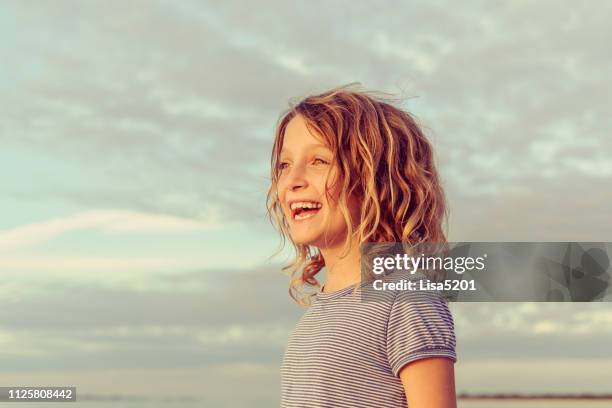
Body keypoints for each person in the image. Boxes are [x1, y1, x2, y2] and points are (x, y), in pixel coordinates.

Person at [266, 83, 457, 407]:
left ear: (376, 179)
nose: (292, 180)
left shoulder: (406, 300)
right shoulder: (317, 316)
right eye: (285, 164)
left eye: (319, 161)